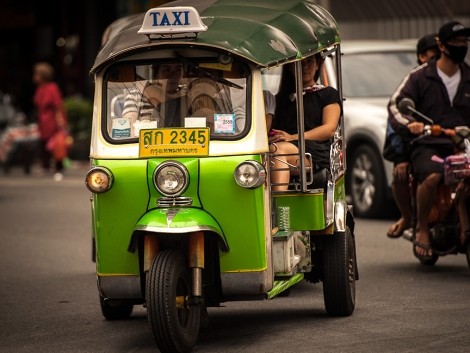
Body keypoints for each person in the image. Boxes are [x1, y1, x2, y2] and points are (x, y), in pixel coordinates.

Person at [388, 21, 470, 259]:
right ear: (442, 46)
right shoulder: (420, 77)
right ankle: (422, 228)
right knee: (434, 175)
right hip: (429, 146)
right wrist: (410, 125)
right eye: (456, 42)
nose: (461, 46)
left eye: (465, 42)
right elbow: (395, 105)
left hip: (464, 147)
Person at [384, 33, 439, 239]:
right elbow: (396, 118)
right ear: (422, 56)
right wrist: (401, 158)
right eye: (435, 53)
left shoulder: (460, 76)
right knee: (401, 172)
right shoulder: (416, 80)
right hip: (420, 145)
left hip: (454, 143)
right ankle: (410, 219)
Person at [269, 53, 341, 191]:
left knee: (277, 151)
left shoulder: (328, 94)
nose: (305, 67)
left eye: (309, 62)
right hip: (285, 147)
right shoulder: (280, 99)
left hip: (313, 152)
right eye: (300, 63)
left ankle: (279, 206)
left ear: (318, 64)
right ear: (290, 67)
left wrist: (293, 137)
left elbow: (329, 129)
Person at [122, 62, 187, 137]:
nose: (173, 75)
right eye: (166, 70)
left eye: (178, 69)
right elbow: (128, 132)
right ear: (156, 73)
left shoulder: (188, 94)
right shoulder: (136, 96)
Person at [33, 62, 68, 181]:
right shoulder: (39, 88)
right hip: (43, 122)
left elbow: (58, 105)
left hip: (52, 121)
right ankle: (46, 166)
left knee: (57, 144)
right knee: (45, 144)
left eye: (37, 74)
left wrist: (61, 121)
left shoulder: (52, 87)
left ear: (42, 75)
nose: (35, 76)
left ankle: (59, 168)